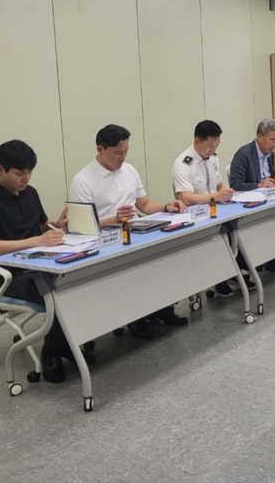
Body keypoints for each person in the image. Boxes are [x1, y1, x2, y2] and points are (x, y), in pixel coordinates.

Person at [0, 140, 92, 384]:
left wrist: (57, 226)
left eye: (29, 172)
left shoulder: (30, 193)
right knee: (59, 293)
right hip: (14, 277)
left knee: (82, 280)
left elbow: (43, 225)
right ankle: (52, 352)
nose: (26, 178)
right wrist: (39, 241)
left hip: (45, 264)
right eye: (19, 173)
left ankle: (64, 345)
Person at [69, 124, 188, 339]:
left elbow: (144, 204)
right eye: (117, 153)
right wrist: (113, 219)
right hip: (106, 240)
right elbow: (82, 227)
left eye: (126, 152)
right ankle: (134, 316)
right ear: (100, 149)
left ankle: (160, 308)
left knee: (165, 254)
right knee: (133, 266)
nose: (122, 158)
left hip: (135, 231)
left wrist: (166, 207)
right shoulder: (83, 180)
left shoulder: (129, 170)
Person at [172, 120, 253, 297]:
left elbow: (219, 186)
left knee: (243, 226)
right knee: (225, 235)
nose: (213, 150)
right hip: (196, 217)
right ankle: (220, 277)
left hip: (217, 212)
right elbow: (187, 198)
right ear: (197, 141)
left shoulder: (213, 159)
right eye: (210, 146)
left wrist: (228, 193)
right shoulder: (183, 164)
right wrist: (216, 197)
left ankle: (233, 271)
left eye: (216, 146)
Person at [229, 118, 275, 271]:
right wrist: (259, 185)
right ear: (260, 136)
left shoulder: (269, 154)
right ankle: (266, 258)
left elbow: (270, 177)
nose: (274, 145)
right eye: (272, 140)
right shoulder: (243, 154)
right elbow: (235, 185)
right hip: (250, 204)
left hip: (268, 198)